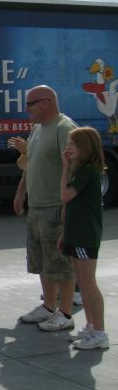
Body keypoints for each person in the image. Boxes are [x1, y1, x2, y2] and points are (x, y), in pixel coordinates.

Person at [14, 85, 78, 331]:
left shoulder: (64, 128)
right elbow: (31, 162)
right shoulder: (37, 129)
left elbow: (72, 169)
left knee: (60, 263)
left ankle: (65, 313)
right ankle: (49, 307)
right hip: (37, 206)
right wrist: (21, 191)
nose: (27, 109)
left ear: (47, 102)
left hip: (54, 207)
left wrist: (66, 205)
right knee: (42, 262)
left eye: (30, 104)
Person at [59, 128, 109, 349]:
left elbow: (65, 195)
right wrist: (66, 233)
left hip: (86, 235)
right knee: (82, 282)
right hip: (76, 233)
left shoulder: (88, 171)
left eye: (72, 144)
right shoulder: (81, 170)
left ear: (84, 147)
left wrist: (65, 168)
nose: (68, 147)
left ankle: (99, 333)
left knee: (88, 284)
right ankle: (91, 326)